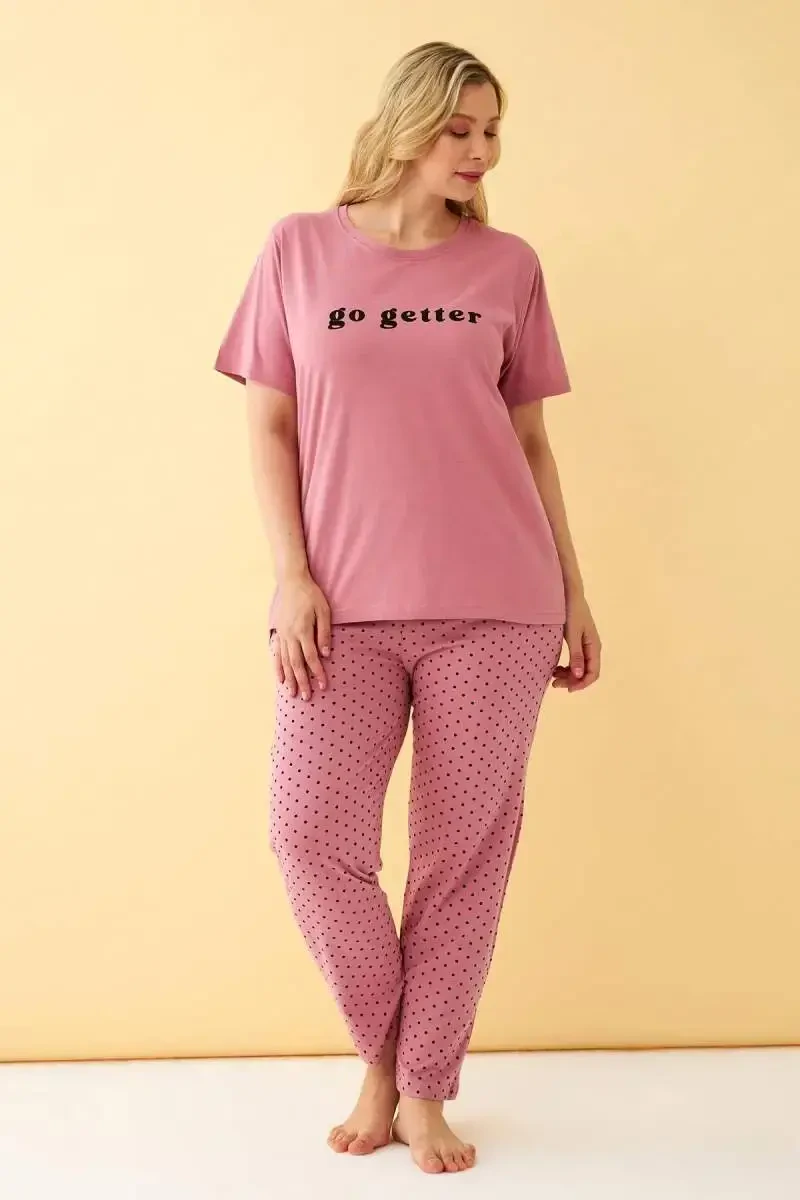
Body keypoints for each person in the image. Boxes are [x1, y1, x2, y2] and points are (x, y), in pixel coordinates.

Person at [213, 39, 601, 1176]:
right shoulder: (297, 249)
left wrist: (575, 590)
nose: (481, 151)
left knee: (461, 857)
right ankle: (384, 1057)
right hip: (341, 603)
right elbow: (269, 425)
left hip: (499, 601)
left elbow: (530, 441)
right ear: (405, 126)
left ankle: (420, 1086)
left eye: (491, 131)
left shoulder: (508, 265)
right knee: (309, 837)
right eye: (459, 129)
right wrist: (291, 575)